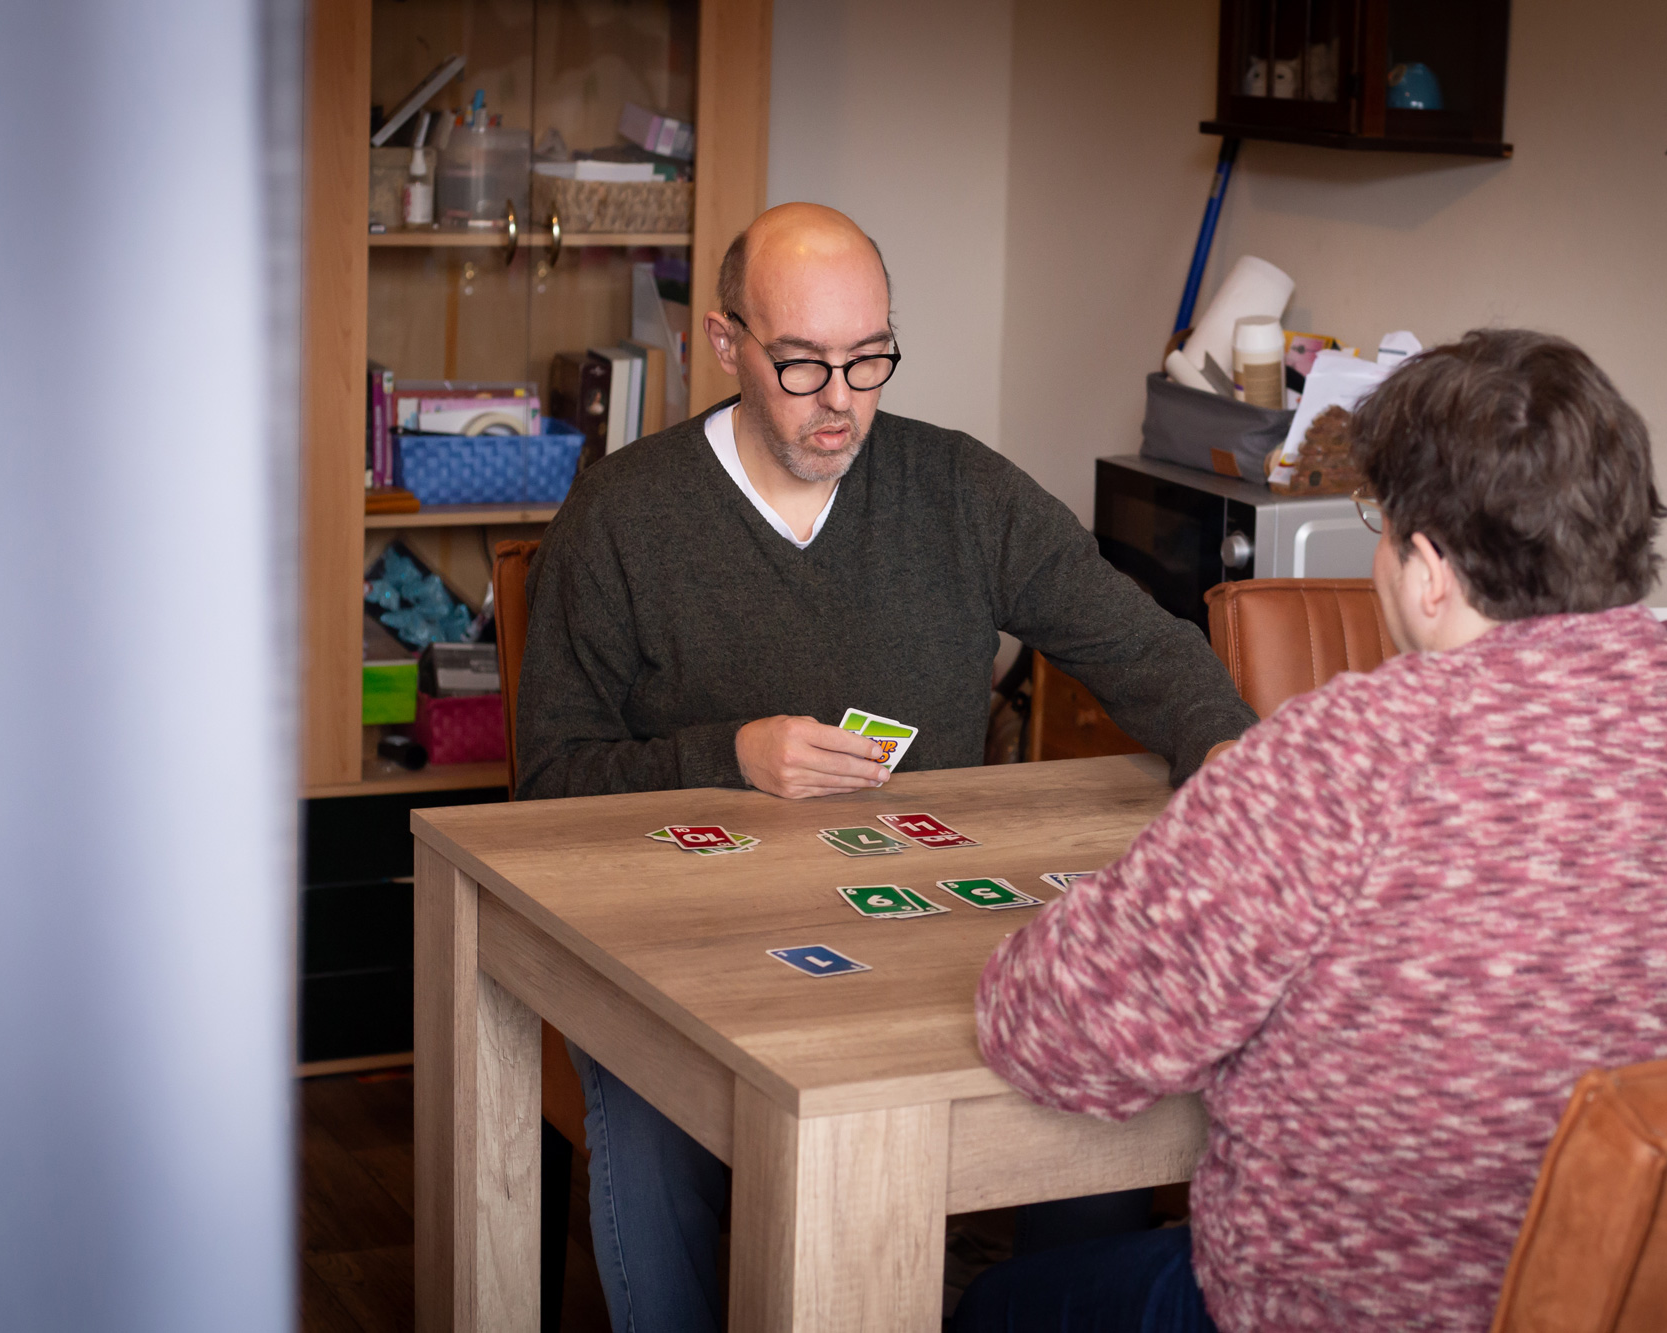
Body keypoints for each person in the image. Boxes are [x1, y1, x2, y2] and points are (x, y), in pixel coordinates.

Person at [961, 329, 1667, 1333]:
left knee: (991, 1303)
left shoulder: (1348, 752)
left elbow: (1050, 1032)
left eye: (1378, 525)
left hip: (1363, 1312)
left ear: (1427, 568)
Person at [513, 202, 1259, 1331]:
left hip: (923, 930)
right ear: (724, 344)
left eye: (870, 360)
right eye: (803, 364)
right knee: (648, 1118)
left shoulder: (957, 489)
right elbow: (546, 785)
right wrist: (729, 757)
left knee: (1103, 1071)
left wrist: (1241, 774)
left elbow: (1146, 646)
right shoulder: (620, 516)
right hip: (682, 946)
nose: (842, 401)